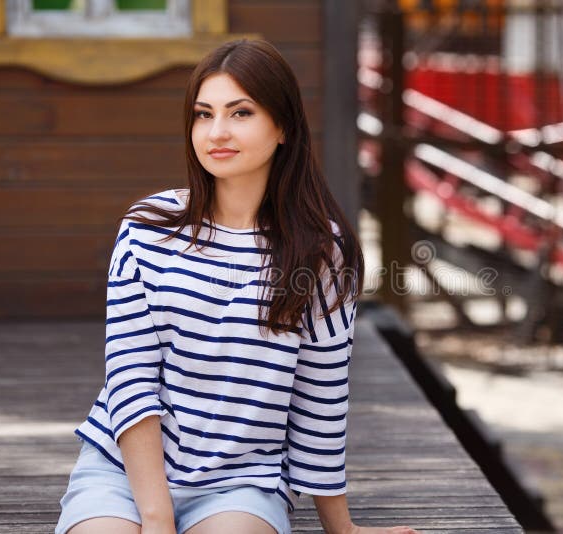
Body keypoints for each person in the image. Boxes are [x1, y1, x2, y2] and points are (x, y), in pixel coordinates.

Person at [55, 39, 419, 534]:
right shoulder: (148, 228)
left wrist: (343, 529)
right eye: (203, 115)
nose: (217, 132)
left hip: (243, 482)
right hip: (122, 471)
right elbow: (131, 381)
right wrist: (157, 520)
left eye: (240, 112)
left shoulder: (323, 252)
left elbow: (321, 398)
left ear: (283, 126)